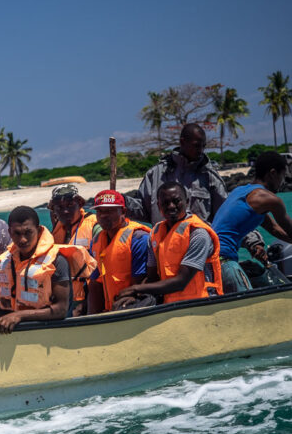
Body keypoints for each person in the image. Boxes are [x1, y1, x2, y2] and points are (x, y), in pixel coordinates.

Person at [125, 123, 265, 258]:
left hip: (200, 253)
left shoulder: (210, 177)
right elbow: (143, 210)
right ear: (182, 142)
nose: (201, 150)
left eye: (203, 146)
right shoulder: (155, 175)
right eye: (197, 146)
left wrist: (253, 242)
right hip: (164, 253)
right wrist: (121, 202)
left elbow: (229, 215)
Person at [115, 182, 223, 307]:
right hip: (171, 305)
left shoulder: (198, 233)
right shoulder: (155, 233)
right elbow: (152, 277)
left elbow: (181, 281)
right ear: (158, 205)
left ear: (187, 202)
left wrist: (136, 289)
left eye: (176, 201)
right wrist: (133, 295)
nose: (171, 206)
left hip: (201, 302)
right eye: (165, 203)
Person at [0, 206, 96, 333]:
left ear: (38, 229)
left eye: (28, 232)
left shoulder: (56, 260)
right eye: (17, 233)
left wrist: (19, 316)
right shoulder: (5, 262)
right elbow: (0, 305)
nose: (22, 239)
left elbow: (61, 309)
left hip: (52, 333)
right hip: (16, 334)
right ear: (9, 232)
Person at [212, 151, 292, 293]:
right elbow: (290, 229)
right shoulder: (269, 199)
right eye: (282, 176)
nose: (283, 182)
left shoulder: (241, 191)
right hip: (224, 261)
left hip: (211, 259)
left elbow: (274, 229)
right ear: (273, 173)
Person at [87, 190, 150, 314]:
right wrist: (91, 316)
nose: (104, 216)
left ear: (123, 212)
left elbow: (142, 281)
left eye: (110, 211)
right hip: (110, 308)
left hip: (134, 307)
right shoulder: (96, 242)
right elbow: (95, 284)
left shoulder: (138, 239)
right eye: (100, 211)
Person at [49, 184, 101, 314]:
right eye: (59, 207)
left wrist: (88, 303)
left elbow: (102, 268)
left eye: (70, 205)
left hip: (88, 298)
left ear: (80, 204)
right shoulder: (56, 230)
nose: (65, 211)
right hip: (62, 299)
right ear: (53, 210)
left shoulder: (95, 227)